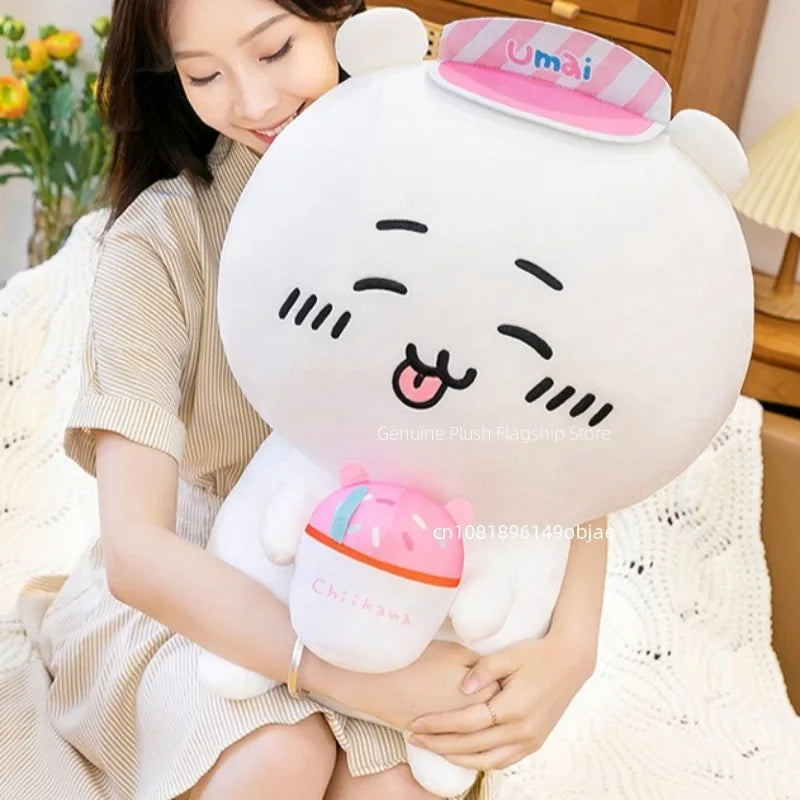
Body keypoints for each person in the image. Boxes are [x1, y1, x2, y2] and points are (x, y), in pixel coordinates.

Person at [0, 0, 609, 797]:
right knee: (280, 758)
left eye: (276, 50)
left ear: (341, 17)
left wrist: (570, 651)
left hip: (386, 592)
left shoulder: (445, 185)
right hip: (194, 595)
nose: (252, 102)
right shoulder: (162, 239)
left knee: (394, 789)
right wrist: (338, 677)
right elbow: (137, 552)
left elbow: (573, 424)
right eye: (204, 75)